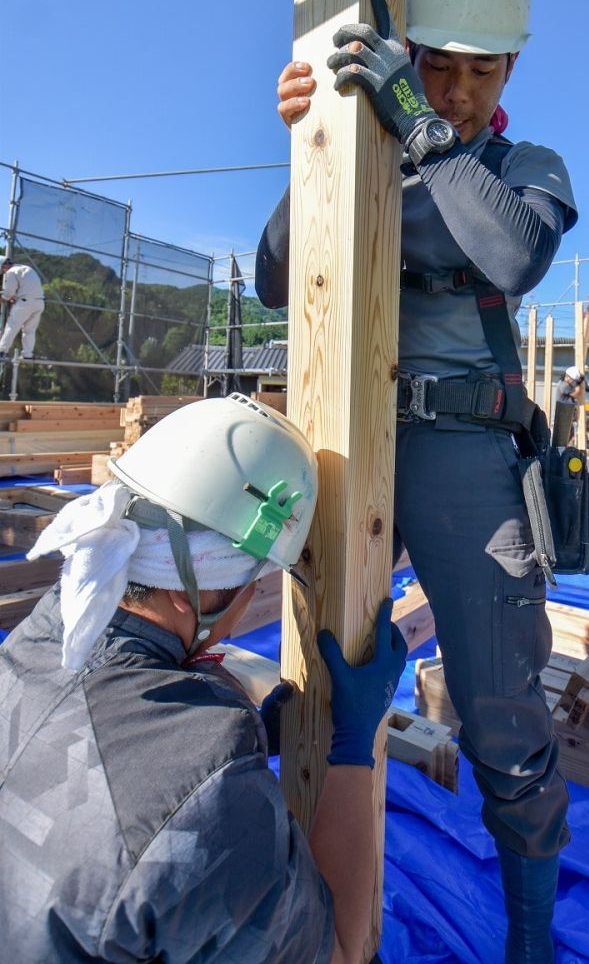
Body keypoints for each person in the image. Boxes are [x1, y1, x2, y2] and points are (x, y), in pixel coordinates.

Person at [257, 0, 578, 964]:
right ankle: (309, 924)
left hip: (463, 461)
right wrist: (311, 146)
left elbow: (501, 249)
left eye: (476, 72)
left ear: (510, 66)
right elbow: (274, 273)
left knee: (501, 724)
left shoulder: (523, 166)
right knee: (316, 679)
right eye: (432, 68)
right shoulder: (379, 159)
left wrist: (415, 133)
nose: (452, 91)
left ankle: (528, 948)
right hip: (352, 437)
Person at [0, 393, 407, 964]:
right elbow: (341, 950)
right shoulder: (204, 786)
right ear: (208, 590)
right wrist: (351, 747)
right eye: (257, 585)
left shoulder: (33, 640)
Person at [0, 256, 45, 361]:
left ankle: (1, 350)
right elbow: (27, 288)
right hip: (39, 302)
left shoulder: (11, 272)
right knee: (29, 330)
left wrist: (3, 298)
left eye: (2, 270)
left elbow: (9, 292)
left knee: (12, 326)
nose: (3, 272)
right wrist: (14, 297)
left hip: (25, 303)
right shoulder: (26, 268)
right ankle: (27, 354)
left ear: (4, 266)